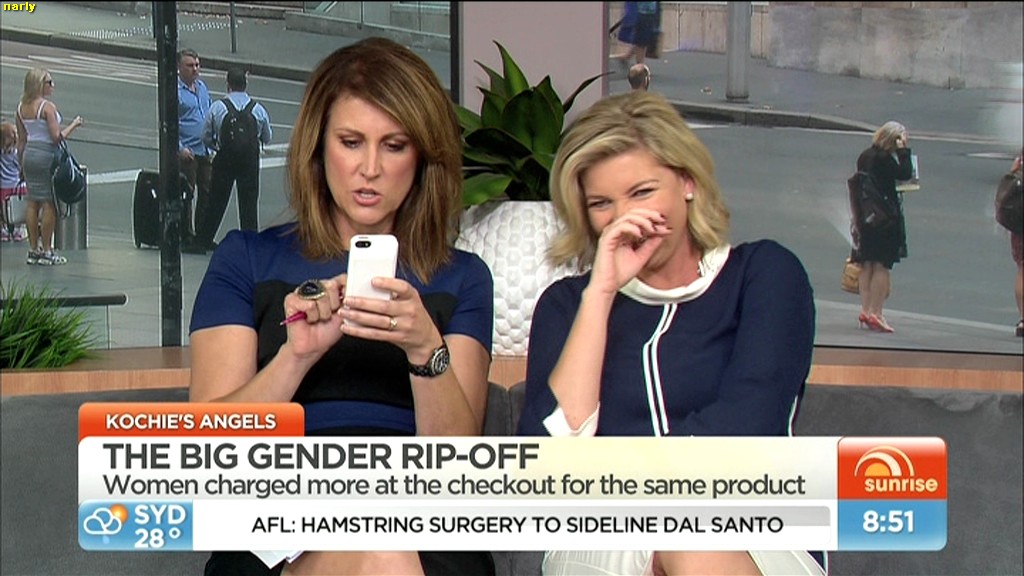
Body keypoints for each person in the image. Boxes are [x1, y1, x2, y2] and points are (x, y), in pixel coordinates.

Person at [189, 37, 495, 576]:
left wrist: (425, 349)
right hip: (279, 511)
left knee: (388, 550)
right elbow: (208, 453)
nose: (369, 168)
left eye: (394, 146)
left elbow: (459, 476)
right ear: (318, 147)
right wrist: (295, 356)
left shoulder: (463, 278)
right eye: (351, 142)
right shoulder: (247, 260)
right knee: (381, 553)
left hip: (420, 516)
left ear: (422, 158)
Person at [517, 91, 825, 576]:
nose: (624, 218)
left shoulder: (763, 274)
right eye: (601, 204)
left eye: (641, 192)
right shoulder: (566, 306)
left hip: (751, 528)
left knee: (692, 544)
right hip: (605, 533)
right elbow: (545, 468)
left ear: (687, 181)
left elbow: (748, 430)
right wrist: (601, 294)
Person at [194, 67, 272, 253]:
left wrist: (217, 146)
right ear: (246, 84)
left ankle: (204, 239)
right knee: (248, 203)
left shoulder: (218, 107)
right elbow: (267, 137)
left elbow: (205, 136)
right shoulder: (258, 109)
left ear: (227, 84)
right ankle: (250, 244)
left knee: (216, 200)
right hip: (249, 162)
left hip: (225, 160)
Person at [16, 68, 83, 265]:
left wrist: (21, 164)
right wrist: (74, 125)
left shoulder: (21, 107)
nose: (52, 86)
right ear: (39, 85)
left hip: (29, 154)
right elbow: (56, 137)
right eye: (49, 82)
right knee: (48, 202)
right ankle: (47, 250)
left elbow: (21, 139)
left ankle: (33, 248)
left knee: (32, 201)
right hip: (46, 155)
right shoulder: (47, 107)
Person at [851, 121, 913, 334]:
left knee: (867, 263)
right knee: (881, 266)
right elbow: (905, 173)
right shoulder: (885, 159)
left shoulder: (865, 155)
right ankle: (876, 313)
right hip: (884, 218)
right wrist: (904, 152)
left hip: (865, 216)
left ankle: (865, 309)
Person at [177, 48, 213, 251]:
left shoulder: (202, 87)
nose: (195, 69)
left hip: (205, 150)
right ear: (180, 67)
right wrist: (180, 149)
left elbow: (209, 114)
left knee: (207, 193)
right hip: (188, 153)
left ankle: (203, 235)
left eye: (197, 65)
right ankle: (186, 235)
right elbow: (169, 124)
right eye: (190, 65)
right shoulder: (176, 91)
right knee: (187, 194)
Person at [1, 121, 29, 243]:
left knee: (3, 210)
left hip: (3, 185)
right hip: (17, 186)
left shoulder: (2, 153)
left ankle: (4, 230)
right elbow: (21, 166)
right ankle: (18, 230)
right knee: (19, 208)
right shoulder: (17, 153)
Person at [613, 2, 662, 69]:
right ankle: (638, 64)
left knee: (642, 39)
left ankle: (631, 59)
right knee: (641, 40)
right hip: (644, 11)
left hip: (647, 11)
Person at [1008, 150, 1023, 337]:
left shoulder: (1020, 163)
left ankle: (1023, 319)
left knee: (1022, 269)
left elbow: (1009, 181)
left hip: (1019, 223)